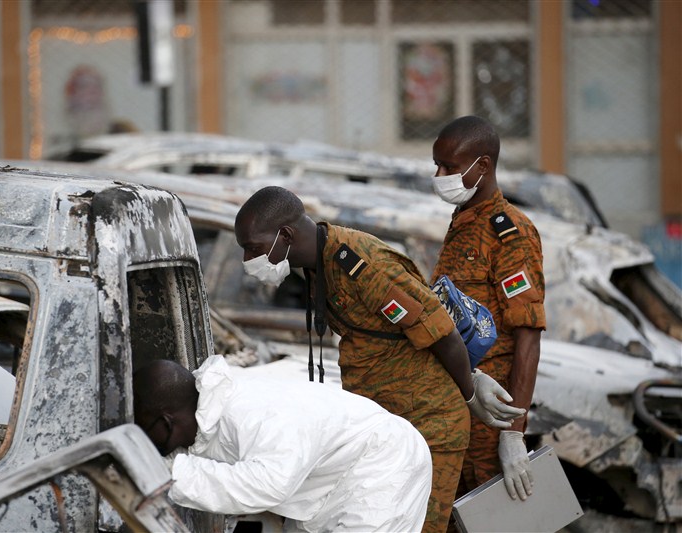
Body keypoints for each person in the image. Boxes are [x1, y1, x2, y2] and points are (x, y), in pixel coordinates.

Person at [233, 186, 524, 533]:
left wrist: (470, 391)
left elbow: (441, 332)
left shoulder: (362, 265)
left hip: (429, 424)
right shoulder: (317, 265)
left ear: (285, 235)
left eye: (253, 247)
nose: (248, 259)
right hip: (386, 424)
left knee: (419, 527)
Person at [134, 355, 433, 532]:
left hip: (384, 464)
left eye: (144, 429)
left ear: (166, 422)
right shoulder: (212, 414)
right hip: (331, 479)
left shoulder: (251, 413)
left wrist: (168, 473)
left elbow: (267, 484)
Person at [430, 115, 545, 502]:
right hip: (454, 412)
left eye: (450, 167)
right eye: (437, 165)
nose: (440, 174)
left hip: (491, 424)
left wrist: (514, 432)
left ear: (482, 166)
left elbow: (528, 334)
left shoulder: (509, 233)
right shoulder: (462, 222)